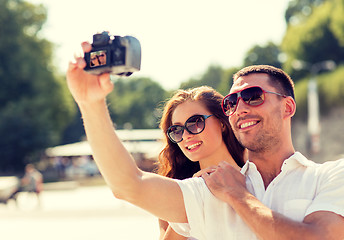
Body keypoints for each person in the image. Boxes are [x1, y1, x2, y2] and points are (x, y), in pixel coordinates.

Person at [67, 40, 344, 239]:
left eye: (252, 96)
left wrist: (239, 196)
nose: (240, 108)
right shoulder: (210, 188)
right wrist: (90, 103)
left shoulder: (331, 176)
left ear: (287, 107)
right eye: (232, 102)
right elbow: (129, 186)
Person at [156, 86, 246, 239]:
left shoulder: (256, 179)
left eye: (195, 123)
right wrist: (194, 196)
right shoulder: (177, 192)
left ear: (222, 123)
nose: (186, 135)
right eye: (177, 130)